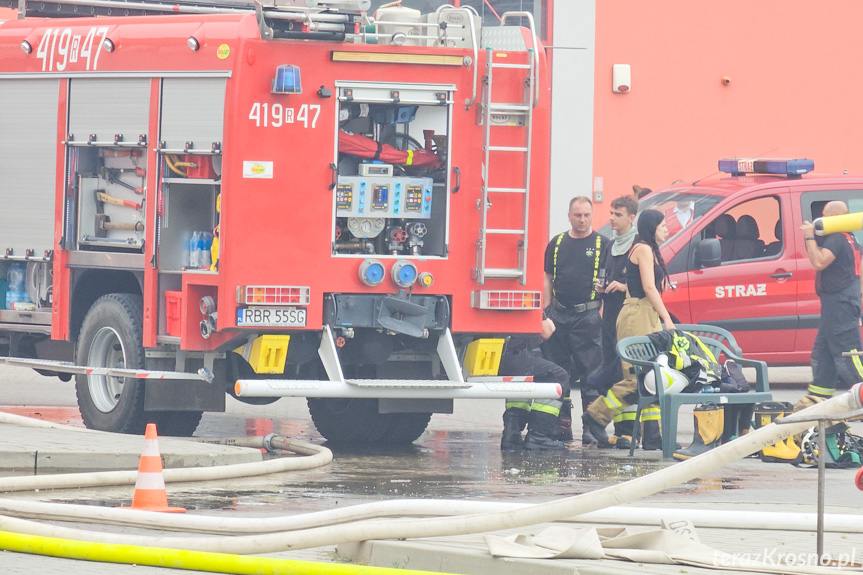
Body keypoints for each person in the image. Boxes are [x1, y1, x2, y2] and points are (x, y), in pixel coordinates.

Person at [583, 209, 676, 447]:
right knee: (636, 378)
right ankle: (595, 416)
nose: (667, 229)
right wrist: (667, 318)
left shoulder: (651, 250)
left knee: (653, 376)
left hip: (647, 314)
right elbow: (648, 287)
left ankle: (653, 437)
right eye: (663, 225)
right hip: (637, 316)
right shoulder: (643, 249)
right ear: (651, 227)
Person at [542, 196, 607, 444]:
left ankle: (590, 426)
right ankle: (562, 425)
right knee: (559, 373)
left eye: (586, 215)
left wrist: (600, 313)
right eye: (577, 215)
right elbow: (548, 276)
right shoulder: (557, 243)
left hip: (588, 317)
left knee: (591, 375)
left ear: (592, 215)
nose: (582, 220)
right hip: (558, 315)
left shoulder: (603, 244)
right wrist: (547, 310)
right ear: (569, 215)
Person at [796, 201, 863, 410]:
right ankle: (817, 400)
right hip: (838, 303)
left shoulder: (836, 239)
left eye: (824, 216)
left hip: (839, 304)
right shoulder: (851, 239)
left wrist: (809, 237)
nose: (820, 221)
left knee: (848, 355)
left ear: (833, 217)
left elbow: (819, 262)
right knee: (823, 354)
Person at [500, 318, 570, 451]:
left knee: (521, 378)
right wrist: (549, 323)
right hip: (510, 355)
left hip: (483, 355)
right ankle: (539, 436)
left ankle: (512, 434)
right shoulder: (524, 299)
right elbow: (545, 332)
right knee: (558, 376)